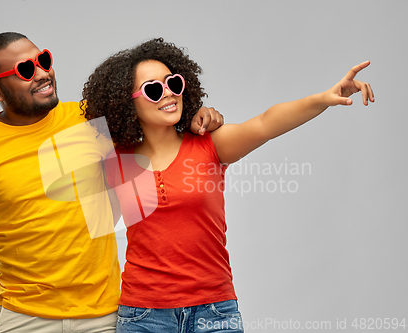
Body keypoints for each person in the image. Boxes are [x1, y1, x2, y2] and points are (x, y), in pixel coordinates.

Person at [81, 38, 374, 333]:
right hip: (143, 316)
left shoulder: (210, 144)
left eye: (173, 83)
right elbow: (72, 190)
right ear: (125, 103)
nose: (168, 93)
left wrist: (324, 97)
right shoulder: (115, 158)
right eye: (153, 90)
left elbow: (265, 123)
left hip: (214, 313)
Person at [0, 32, 224, 333]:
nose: (43, 73)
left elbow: (159, 126)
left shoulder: (91, 120)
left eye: (43, 60)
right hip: (23, 317)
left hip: (106, 315)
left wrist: (199, 117)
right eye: (26, 70)